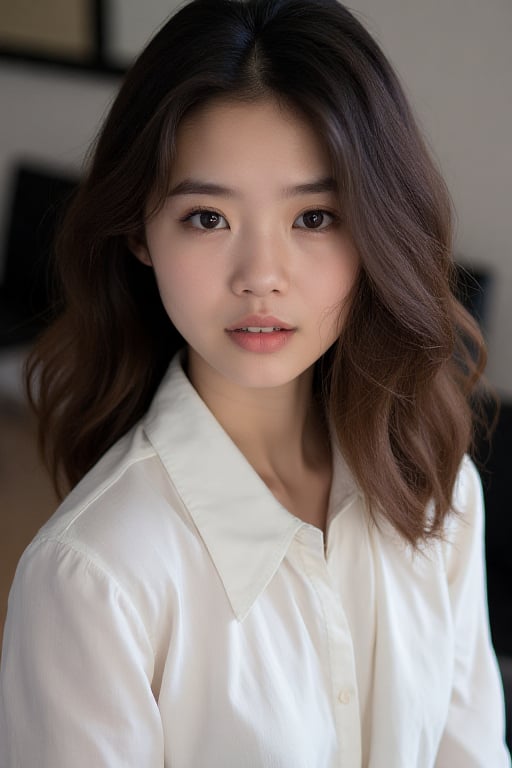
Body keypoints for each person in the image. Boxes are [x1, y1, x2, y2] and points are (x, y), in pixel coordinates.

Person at [0, 0, 509, 765]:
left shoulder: (439, 491)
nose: (261, 278)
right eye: (208, 218)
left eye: (314, 218)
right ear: (140, 231)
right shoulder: (95, 576)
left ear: (375, 226)